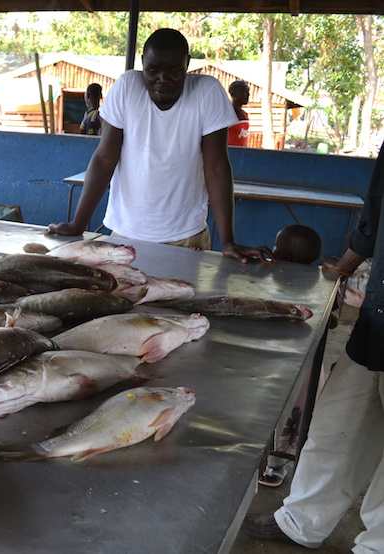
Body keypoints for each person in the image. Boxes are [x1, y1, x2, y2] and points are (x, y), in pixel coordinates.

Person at [242, 140, 384, 552]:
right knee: (337, 424)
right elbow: (374, 216)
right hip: (377, 318)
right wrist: (344, 268)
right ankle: (300, 521)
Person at [47, 28, 271, 263]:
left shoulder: (207, 92)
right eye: (153, 70)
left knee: (180, 298)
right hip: (125, 233)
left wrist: (227, 242)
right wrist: (77, 224)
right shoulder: (127, 87)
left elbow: (216, 166)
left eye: (174, 70)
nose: (162, 78)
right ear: (143, 63)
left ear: (187, 64)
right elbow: (104, 159)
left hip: (186, 237)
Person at [258, 224, 323, 488]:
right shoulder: (323, 282)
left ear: (285, 256)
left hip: (281, 362)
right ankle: (278, 465)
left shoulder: (272, 280)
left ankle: (271, 464)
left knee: (277, 412)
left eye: (276, 246)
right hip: (308, 368)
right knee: (294, 416)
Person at [228, 80, 250, 147]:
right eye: (244, 92)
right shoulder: (225, 114)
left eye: (248, 92)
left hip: (242, 155)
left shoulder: (244, 115)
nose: (248, 95)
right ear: (233, 94)